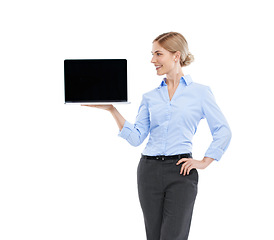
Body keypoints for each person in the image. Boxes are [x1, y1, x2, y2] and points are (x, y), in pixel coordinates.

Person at [82, 31, 232, 240]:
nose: (152, 60)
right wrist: (111, 110)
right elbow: (136, 138)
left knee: (173, 236)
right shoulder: (150, 97)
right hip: (148, 172)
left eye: (158, 54)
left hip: (181, 171)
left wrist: (205, 161)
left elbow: (223, 130)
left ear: (176, 56)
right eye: (152, 54)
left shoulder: (200, 93)